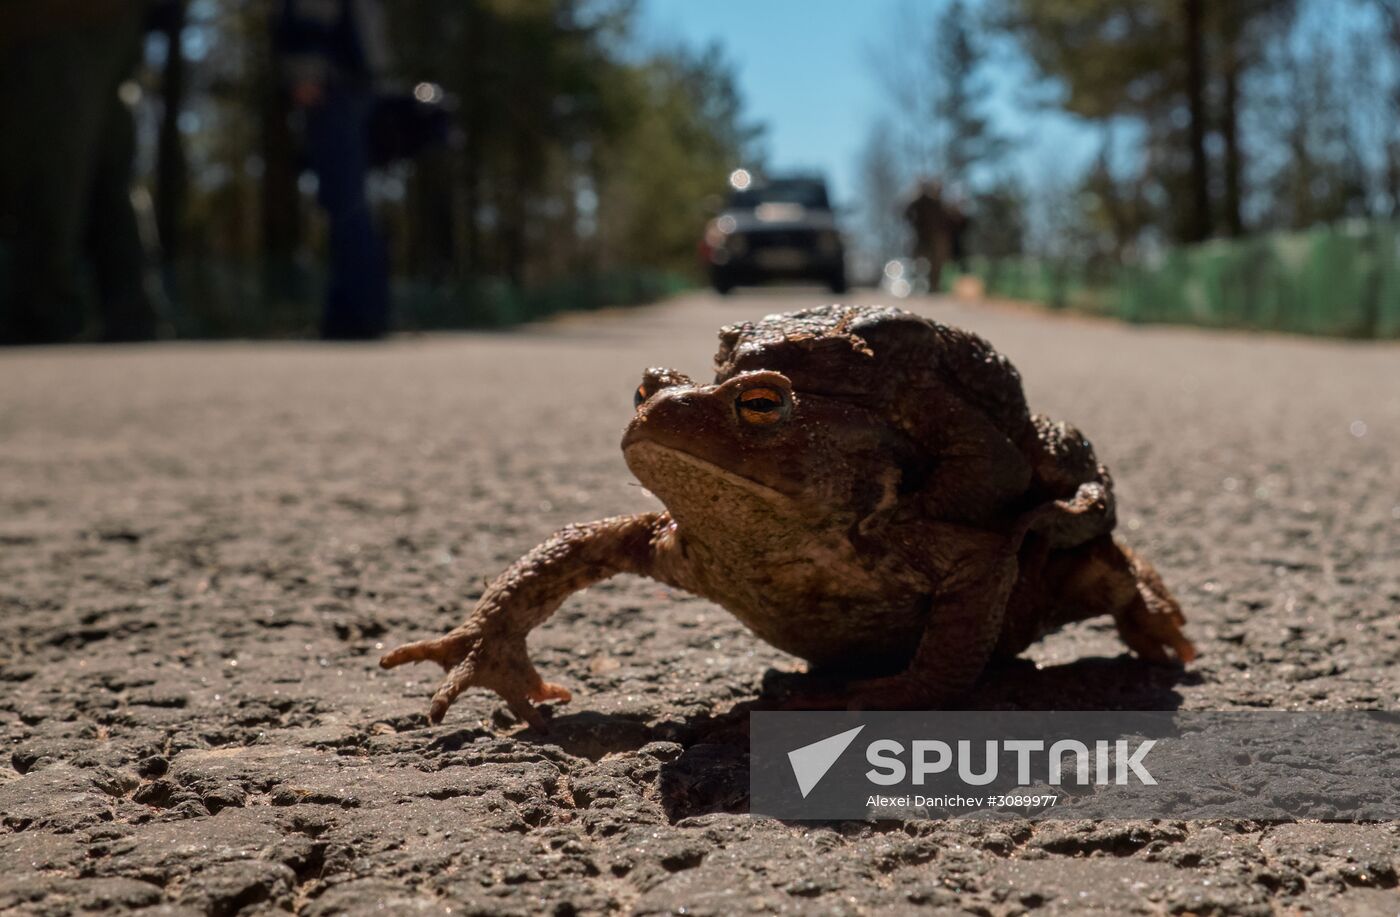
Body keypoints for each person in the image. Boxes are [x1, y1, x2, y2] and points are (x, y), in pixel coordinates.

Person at [0, 0, 160, 343]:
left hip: (51, 18)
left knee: (53, 166)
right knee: (105, 169)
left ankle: (41, 317)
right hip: (108, 21)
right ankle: (130, 315)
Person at [275, 0, 391, 340]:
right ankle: (356, 312)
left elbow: (313, 17)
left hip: (335, 83)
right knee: (347, 199)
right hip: (351, 82)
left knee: (345, 201)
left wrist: (305, 72)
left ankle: (358, 315)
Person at [903, 179, 956, 293]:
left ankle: (934, 286)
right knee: (917, 261)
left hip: (936, 237)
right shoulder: (920, 201)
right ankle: (914, 285)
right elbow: (906, 213)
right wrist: (915, 224)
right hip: (921, 236)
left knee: (936, 263)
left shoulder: (939, 204)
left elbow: (948, 221)